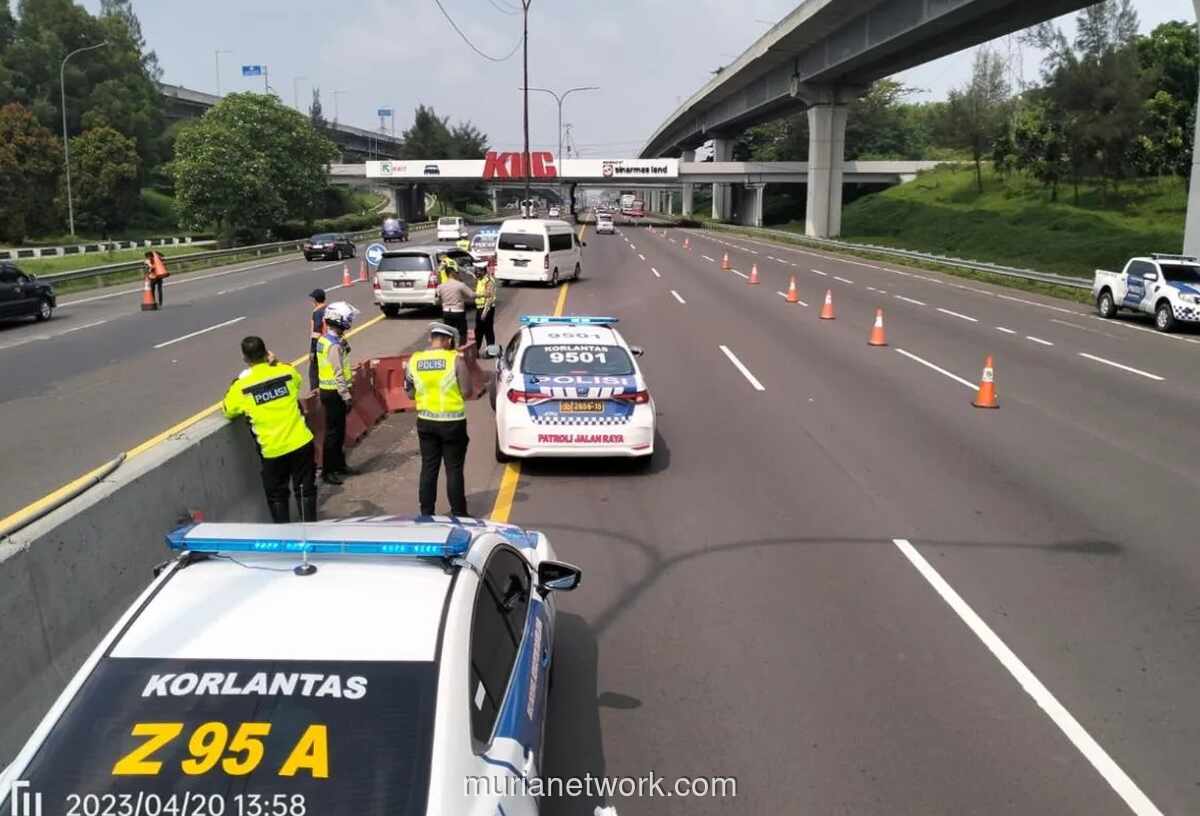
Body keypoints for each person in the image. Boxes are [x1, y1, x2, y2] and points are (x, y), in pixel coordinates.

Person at [223, 336, 317, 523]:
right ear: (267, 353)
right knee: (305, 491)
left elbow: (228, 410)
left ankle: (283, 538)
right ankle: (311, 533)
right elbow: (297, 381)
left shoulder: (241, 386)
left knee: (277, 496)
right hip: (301, 442)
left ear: (245, 359)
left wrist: (238, 381)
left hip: (273, 450)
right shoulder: (286, 372)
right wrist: (276, 362)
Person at [405, 322, 472, 517]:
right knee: (453, 469)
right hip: (453, 422)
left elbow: (409, 393)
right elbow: (467, 391)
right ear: (449, 340)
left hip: (425, 421)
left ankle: (427, 513)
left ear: (430, 339)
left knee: (428, 467)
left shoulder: (414, 360)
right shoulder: (455, 360)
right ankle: (459, 513)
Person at [315, 301, 360, 485]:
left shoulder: (326, 340)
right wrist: (346, 396)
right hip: (334, 393)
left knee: (339, 431)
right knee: (333, 434)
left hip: (331, 391)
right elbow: (338, 372)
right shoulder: (333, 345)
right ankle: (328, 471)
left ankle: (340, 465)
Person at [436, 259, 475, 345]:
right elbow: (471, 295)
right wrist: (484, 295)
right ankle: (461, 349)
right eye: (456, 272)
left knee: (449, 333)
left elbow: (438, 298)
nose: (458, 274)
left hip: (446, 312)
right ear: (452, 273)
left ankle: (450, 349)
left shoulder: (441, 286)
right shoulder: (460, 285)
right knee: (462, 333)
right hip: (458, 312)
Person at [474, 260, 497, 351]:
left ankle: (491, 351)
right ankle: (476, 351)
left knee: (488, 330)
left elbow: (490, 298)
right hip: (479, 308)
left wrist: (484, 312)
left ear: (483, 270)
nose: (476, 272)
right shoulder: (480, 280)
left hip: (486, 309)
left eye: (478, 270)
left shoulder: (489, 281)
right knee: (478, 332)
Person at [308, 288, 327, 392]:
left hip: (320, 345)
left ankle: (315, 392)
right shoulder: (328, 309)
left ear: (315, 300)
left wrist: (312, 351)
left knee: (313, 371)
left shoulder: (317, 312)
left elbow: (315, 334)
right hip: (330, 343)